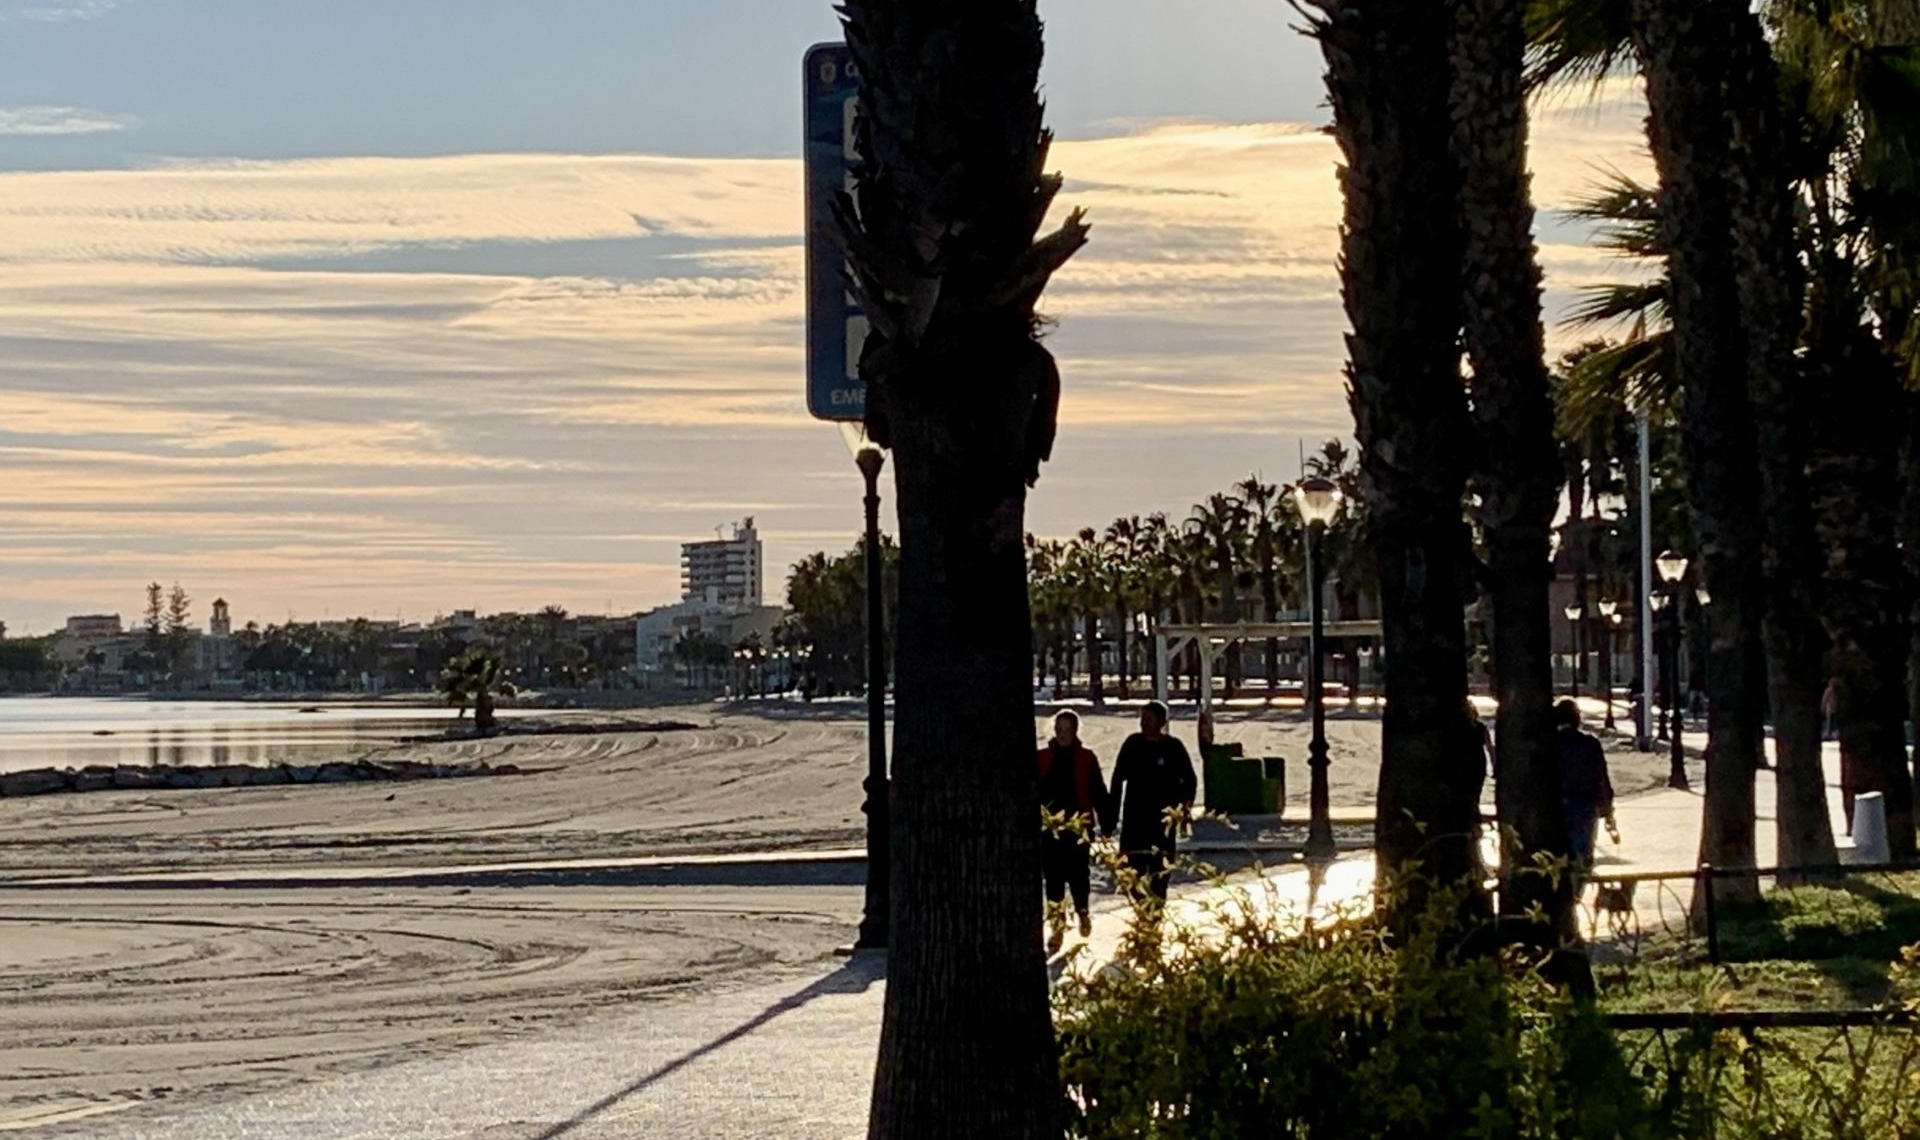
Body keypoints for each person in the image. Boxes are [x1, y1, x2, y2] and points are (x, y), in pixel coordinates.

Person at [1108, 700, 1197, 908]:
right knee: (1131, 873)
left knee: (1160, 875)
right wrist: (1111, 815)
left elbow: (1189, 780)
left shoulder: (1173, 747)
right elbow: (1117, 779)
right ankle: (1142, 910)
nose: (1143, 723)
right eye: (1142, 719)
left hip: (1162, 824)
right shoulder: (1132, 744)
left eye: (1148, 719)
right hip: (1135, 821)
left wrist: (1184, 810)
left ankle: (1155, 915)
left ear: (1161, 721)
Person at [1036, 710, 1113, 953]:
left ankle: (1083, 912)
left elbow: (1099, 792)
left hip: (1078, 827)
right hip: (1050, 830)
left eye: (1068, 729)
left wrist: (1107, 823)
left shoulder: (1086, 759)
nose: (1063, 734)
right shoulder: (1042, 758)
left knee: (1080, 876)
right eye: (1059, 728)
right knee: (1054, 880)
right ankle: (1057, 927)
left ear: (1076, 731)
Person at [1556, 699, 1616, 883]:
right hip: (1584, 806)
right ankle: (1576, 892)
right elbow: (1601, 778)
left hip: (1556, 806)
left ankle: (1563, 892)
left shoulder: (1550, 744)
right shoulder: (1590, 743)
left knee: (1559, 855)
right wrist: (1607, 811)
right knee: (1582, 854)